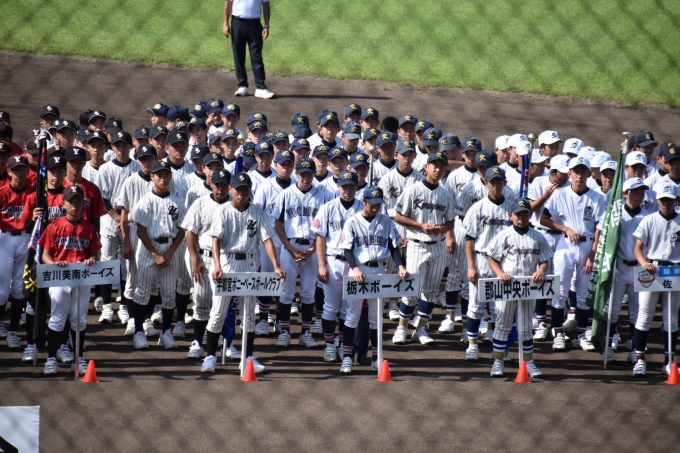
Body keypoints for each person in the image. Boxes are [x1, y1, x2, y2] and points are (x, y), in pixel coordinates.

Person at [206, 172, 286, 373]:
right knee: (218, 312)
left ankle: (247, 357)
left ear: (250, 191)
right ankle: (210, 356)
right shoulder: (223, 211)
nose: (241, 193)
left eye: (245, 189)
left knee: (249, 314)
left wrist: (276, 265)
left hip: (249, 263)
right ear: (231, 189)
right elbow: (215, 240)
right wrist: (217, 265)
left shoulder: (257, 212)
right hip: (228, 261)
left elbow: (267, 239)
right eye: (238, 189)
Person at [338, 186, 409, 374]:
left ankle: (377, 359)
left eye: (379, 204)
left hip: (378, 270)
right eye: (373, 204)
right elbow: (346, 249)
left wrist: (400, 266)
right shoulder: (352, 221)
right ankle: (347, 358)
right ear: (364, 201)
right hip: (358, 271)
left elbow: (394, 247)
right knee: (352, 316)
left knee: (376, 318)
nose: (376, 207)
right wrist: (354, 268)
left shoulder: (386, 221)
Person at [540, 156, 605, 352]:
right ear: (569, 173)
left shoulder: (597, 197)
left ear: (589, 173)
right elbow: (544, 219)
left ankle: (581, 335)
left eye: (583, 171)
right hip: (566, 245)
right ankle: (558, 333)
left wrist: (592, 256)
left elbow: (599, 229)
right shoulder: (560, 194)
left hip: (587, 245)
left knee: (584, 294)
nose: (579, 175)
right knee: (560, 292)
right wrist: (565, 228)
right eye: (576, 171)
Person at [392, 152, 456, 345]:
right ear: (426, 167)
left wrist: (441, 229)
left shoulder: (446, 195)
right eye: (434, 165)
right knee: (412, 290)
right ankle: (401, 328)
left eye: (442, 166)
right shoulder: (413, 190)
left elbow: (450, 222)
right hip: (417, 245)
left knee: (430, 292)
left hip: (438, 247)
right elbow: (398, 216)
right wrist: (421, 226)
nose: (438, 169)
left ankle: (419, 329)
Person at [487, 198, 553, 377]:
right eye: (518, 214)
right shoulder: (504, 235)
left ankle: (528, 362)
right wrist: (500, 273)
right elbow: (492, 260)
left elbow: (545, 260)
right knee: (502, 324)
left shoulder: (538, 236)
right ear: (511, 215)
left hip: (529, 286)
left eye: (525, 214)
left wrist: (541, 270)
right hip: (507, 286)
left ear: (530, 215)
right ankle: (498, 362)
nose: (521, 218)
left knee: (525, 326)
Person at [39, 185, 101, 375]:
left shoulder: (89, 228)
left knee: (79, 320)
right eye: (71, 201)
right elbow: (45, 255)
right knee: (58, 319)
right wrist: (54, 264)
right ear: (63, 203)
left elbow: (95, 253)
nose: (75, 205)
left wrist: (92, 259)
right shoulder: (54, 226)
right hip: (60, 276)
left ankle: (78, 358)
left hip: (82, 276)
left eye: (78, 201)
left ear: (83, 204)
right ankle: (51, 359)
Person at [273, 157, 333, 347]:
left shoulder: (324, 195)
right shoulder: (285, 195)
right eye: (302, 174)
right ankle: (284, 331)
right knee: (286, 292)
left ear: (314, 175)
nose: (306, 178)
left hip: (313, 247)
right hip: (290, 246)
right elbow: (277, 223)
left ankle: (305, 332)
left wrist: (313, 249)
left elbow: (326, 226)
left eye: (309, 174)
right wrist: (289, 248)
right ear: (296, 174)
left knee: (308, 293)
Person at [130, 160, 187, 350]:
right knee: (143, 291)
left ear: (171, 177)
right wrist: (156, 255)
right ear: (152, 176)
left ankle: (166, 333)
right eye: (159, 175)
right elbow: (140, 231)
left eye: (166, 175)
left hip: (171, 247)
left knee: (169, 293)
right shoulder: (145, 201)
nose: (163, 179)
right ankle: (139, 331)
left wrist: (170, 253)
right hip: (150, 248)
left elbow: (182, 230)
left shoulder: (177, 202)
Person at [462, 166, 514, 360]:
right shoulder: (478, 208)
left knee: (500, 308)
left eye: (499, 182)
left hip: (505, 263)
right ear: (486, 183)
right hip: (482, 259)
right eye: (492, 182)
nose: (496, 186)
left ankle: (500, 349)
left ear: (505, 183)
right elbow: (469, 239)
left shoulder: (512, 208)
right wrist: (471, 267)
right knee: (476, 306)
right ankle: (472, 346)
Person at [312, 170, 364, 362]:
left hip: (354, 264)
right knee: (330, 307)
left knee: (346, 308)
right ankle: (329, 345)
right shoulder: (328, 208)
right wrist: (321, 264)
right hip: (333, 260)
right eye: (344, 187)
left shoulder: (362, 208)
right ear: (338, 186)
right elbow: (320, 237)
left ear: (357, 188)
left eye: (351, 187)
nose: (347, 191)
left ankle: (343, 343)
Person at [632, 181, 680, 376]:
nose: (666, 203)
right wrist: (644, 263)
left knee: (671, 318)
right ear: (658, 200)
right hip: (652, 269)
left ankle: (669, 362)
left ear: (676, 200)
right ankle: (639, 359)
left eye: (670, 200)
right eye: (663, 200)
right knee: (644, 315)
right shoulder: (649, 219)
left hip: (675, 270)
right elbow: (638, 248)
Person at [0, 155, 35, 349]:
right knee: (2, 290)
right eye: (16, 169)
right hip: (4, 238)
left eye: (22, 169)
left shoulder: (34, 193)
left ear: (27, 171)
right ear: (9, 171)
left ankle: (13, 332)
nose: (19, 173)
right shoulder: (2, 192)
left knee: (20, 288)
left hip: (25, 238)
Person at [223, 0, 274, 99]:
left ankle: (260, 88)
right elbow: (228, 3)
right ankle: (242, 86)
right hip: (237, 23)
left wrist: (267, 25)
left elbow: (266, 4)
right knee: (238, 55)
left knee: (256, 56)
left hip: (255, 24)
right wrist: (225, 23)